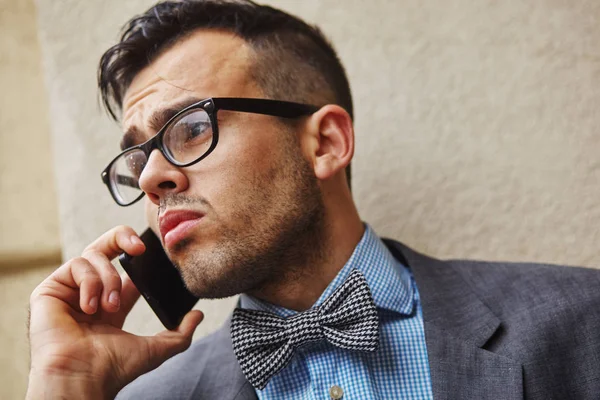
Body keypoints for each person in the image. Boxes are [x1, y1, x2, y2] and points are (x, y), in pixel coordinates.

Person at [26, 1, 600, 399]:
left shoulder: (581, 321)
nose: (151, 177)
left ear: (326, 143)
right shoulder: (146, 397)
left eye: (190, 128)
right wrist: (65, 385)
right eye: (138, 156)